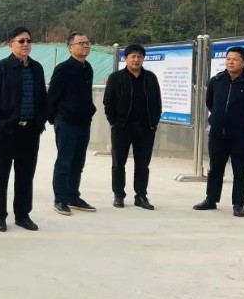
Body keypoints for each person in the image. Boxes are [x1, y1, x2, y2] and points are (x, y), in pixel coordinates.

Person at [0, 27, 47, 232]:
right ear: (10, 44)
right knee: (1, 176)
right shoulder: (0, 68)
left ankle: (22, 215)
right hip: (7, 131)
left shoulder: (37, 68)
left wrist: (40, 123)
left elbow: (42, 97)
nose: (26, 44)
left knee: (26, 176)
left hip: (30, 131)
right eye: (21, 41)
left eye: (29, 40)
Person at [193, 46, 244, 217]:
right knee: (215, 168)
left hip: (240, 136)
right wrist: (218, 119)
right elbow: (210, 102)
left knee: (240, 170)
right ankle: (211, 199)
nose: (230, 62)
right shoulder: (216, 81)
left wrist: (243, 121)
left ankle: (238, 204)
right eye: (228, 59)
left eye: (235, 59)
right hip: (218, 134)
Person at [103, 44, 162, 210]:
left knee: (143, 164)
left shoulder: (150, 78)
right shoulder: (116, 77)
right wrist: (114, 122)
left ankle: (141, 196)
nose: (136, 60)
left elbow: (157, 102)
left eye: (139, 57)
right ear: (126, 58)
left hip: (145, 128)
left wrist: (154, 122)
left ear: (143, 59)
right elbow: (108, 102)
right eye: (133, 57)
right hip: (122, 127)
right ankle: (119, 195)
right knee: (118, 163)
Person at [47, 31, 97, 216]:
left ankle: (73, 196)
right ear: (70, 48)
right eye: (81, 43)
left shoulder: (88, 68)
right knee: (65, 162)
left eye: (87, 42)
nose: (86, 46)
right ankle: (60, 199)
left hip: (83, 122)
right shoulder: (63, 68)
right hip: (66, 121)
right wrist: (53, 119)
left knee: (78, 162)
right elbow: (52, 96)